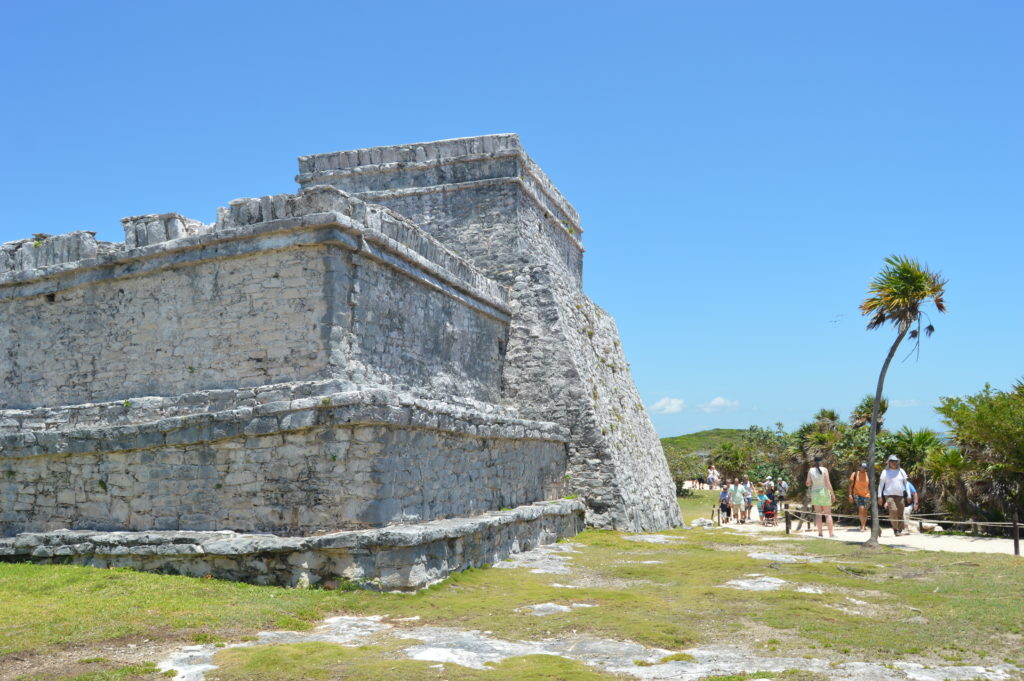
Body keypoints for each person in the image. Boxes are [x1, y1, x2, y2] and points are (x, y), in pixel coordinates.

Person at [878, 454, 911, 536]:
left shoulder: (901, 471)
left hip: (900, 495)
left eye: (895, 461)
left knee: (900, 512)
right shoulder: (885, 472)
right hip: (889, 495)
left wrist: (909, 495)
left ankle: (900, 529)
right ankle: (895, 529)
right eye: (892, 461)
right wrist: (879, 496)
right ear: (889, 462)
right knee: (893, 510)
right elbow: (881, 485)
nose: (894, 463)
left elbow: (906, 484)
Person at [806, 455, 836, 537]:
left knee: (818, 514)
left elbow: (807, 483)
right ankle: (831, 533)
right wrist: (832, 494)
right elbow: (827, 483)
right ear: (821, 462)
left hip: (815, 492)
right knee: (828, 514)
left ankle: (820, 533)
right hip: (824, 492)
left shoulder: (810, 470)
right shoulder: (824, 470)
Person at [848, 462, 871, 532]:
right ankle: (863, 526)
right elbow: (850, 485)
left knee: (865, 511)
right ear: (859, 467)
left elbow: (870, 486)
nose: (864, 469)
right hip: (857, 494)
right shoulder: (854, 474)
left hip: (867, 495)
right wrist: (850, 495)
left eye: (865, 468)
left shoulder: (868, 475)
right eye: (863, 467)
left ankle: (863, 524)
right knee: (861, 508)